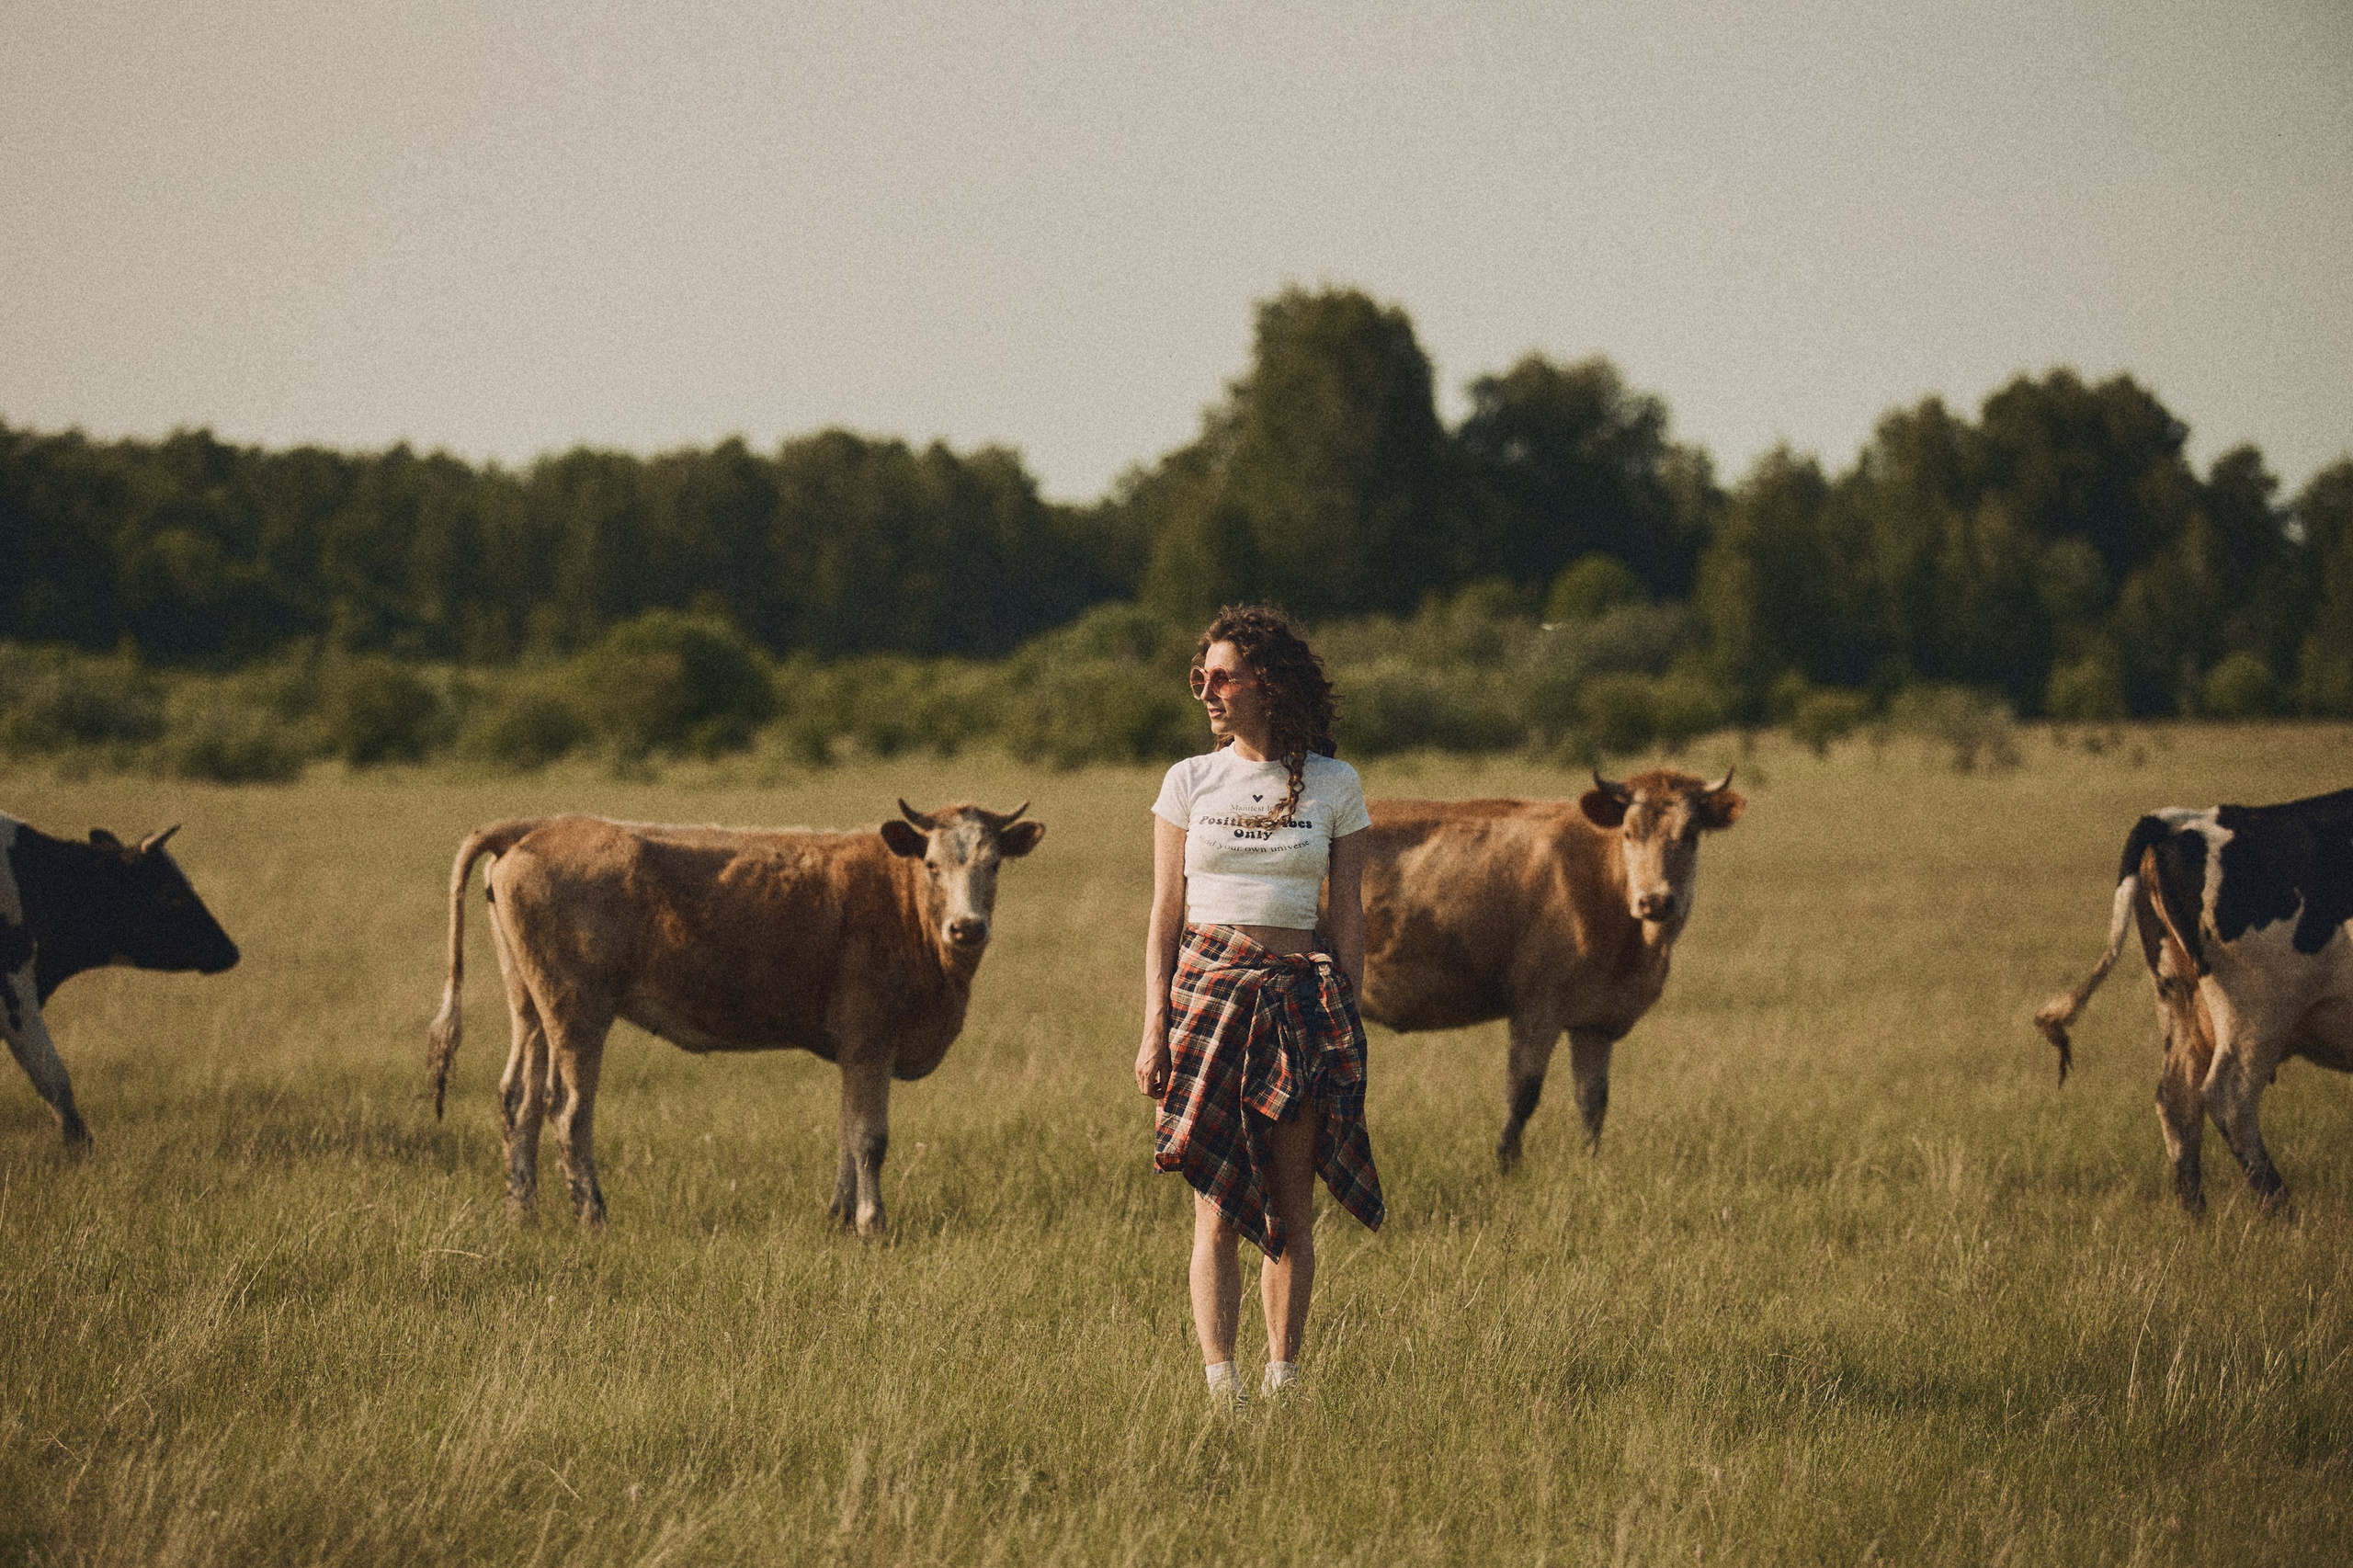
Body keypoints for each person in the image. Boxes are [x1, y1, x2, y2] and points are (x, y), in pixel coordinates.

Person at [1136, 604, 1384, 1408]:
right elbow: (1164, 916)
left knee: (1290, 1210)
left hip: (1299, 1003)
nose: (1207, 691)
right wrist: (1154, 1029)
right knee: (1215, 1208)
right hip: (1207, 997)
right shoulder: (1189, 780)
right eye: (1200, 678)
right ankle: (1222, 1390)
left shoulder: (1335, 784)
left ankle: (1283, 1383)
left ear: (1267, 684)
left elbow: (1346, 914)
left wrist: (1346, 1020)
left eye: (1223, 677)